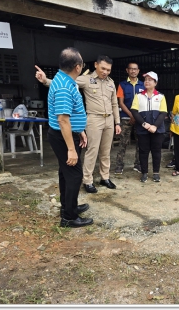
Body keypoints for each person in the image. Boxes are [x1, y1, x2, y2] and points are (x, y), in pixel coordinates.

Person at [36, 55, 122, 194]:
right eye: (103, 68)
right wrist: (45, 80)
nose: (105, 72)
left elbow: (114, 103)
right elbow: (65, 83)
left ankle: (104, 177)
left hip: (109, 120)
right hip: (94, 119)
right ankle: (88, 180)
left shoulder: (111, 83)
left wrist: (117, 122)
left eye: (108, 70)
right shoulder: (86, 79)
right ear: (96, 65)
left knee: (106, 151)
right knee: (92, 151)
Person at [46, 47, 93, 228]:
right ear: (78, 67)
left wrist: (80, 130)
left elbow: (70, 115)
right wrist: (71, 149)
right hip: (63, 136)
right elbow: (63, 120)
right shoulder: (65, 87)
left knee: (66, 173)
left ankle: (68, 206)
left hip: (68, 134)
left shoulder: (62, 79)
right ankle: (69, 217)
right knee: (74, 175)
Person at [130, 71, 168, 183]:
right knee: (143, 151)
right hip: (143, 128)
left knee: (156, 151)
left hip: (157, 129)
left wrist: (155, 126)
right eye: (145, 80)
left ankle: (156, 172)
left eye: (150, 80)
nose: (147, 82)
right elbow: (134, 111)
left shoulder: (161, 96)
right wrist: (144, 124)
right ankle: (144, 173)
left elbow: (163, 113)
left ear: (155, 82)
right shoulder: (139, 96)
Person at [114, 62, 145, 174]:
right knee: (123, 142)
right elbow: (121, 103)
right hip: (126, 118)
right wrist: (132, 115)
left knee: (140, 142)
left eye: (135, 69)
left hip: (139, 119)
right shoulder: (122, 85)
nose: (133, 71)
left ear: (138, 71)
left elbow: (144, 102)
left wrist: (137, 117)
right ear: (127, 70)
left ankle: (138, 164)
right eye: (131, 69)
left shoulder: (143, 85)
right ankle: (119, 165)